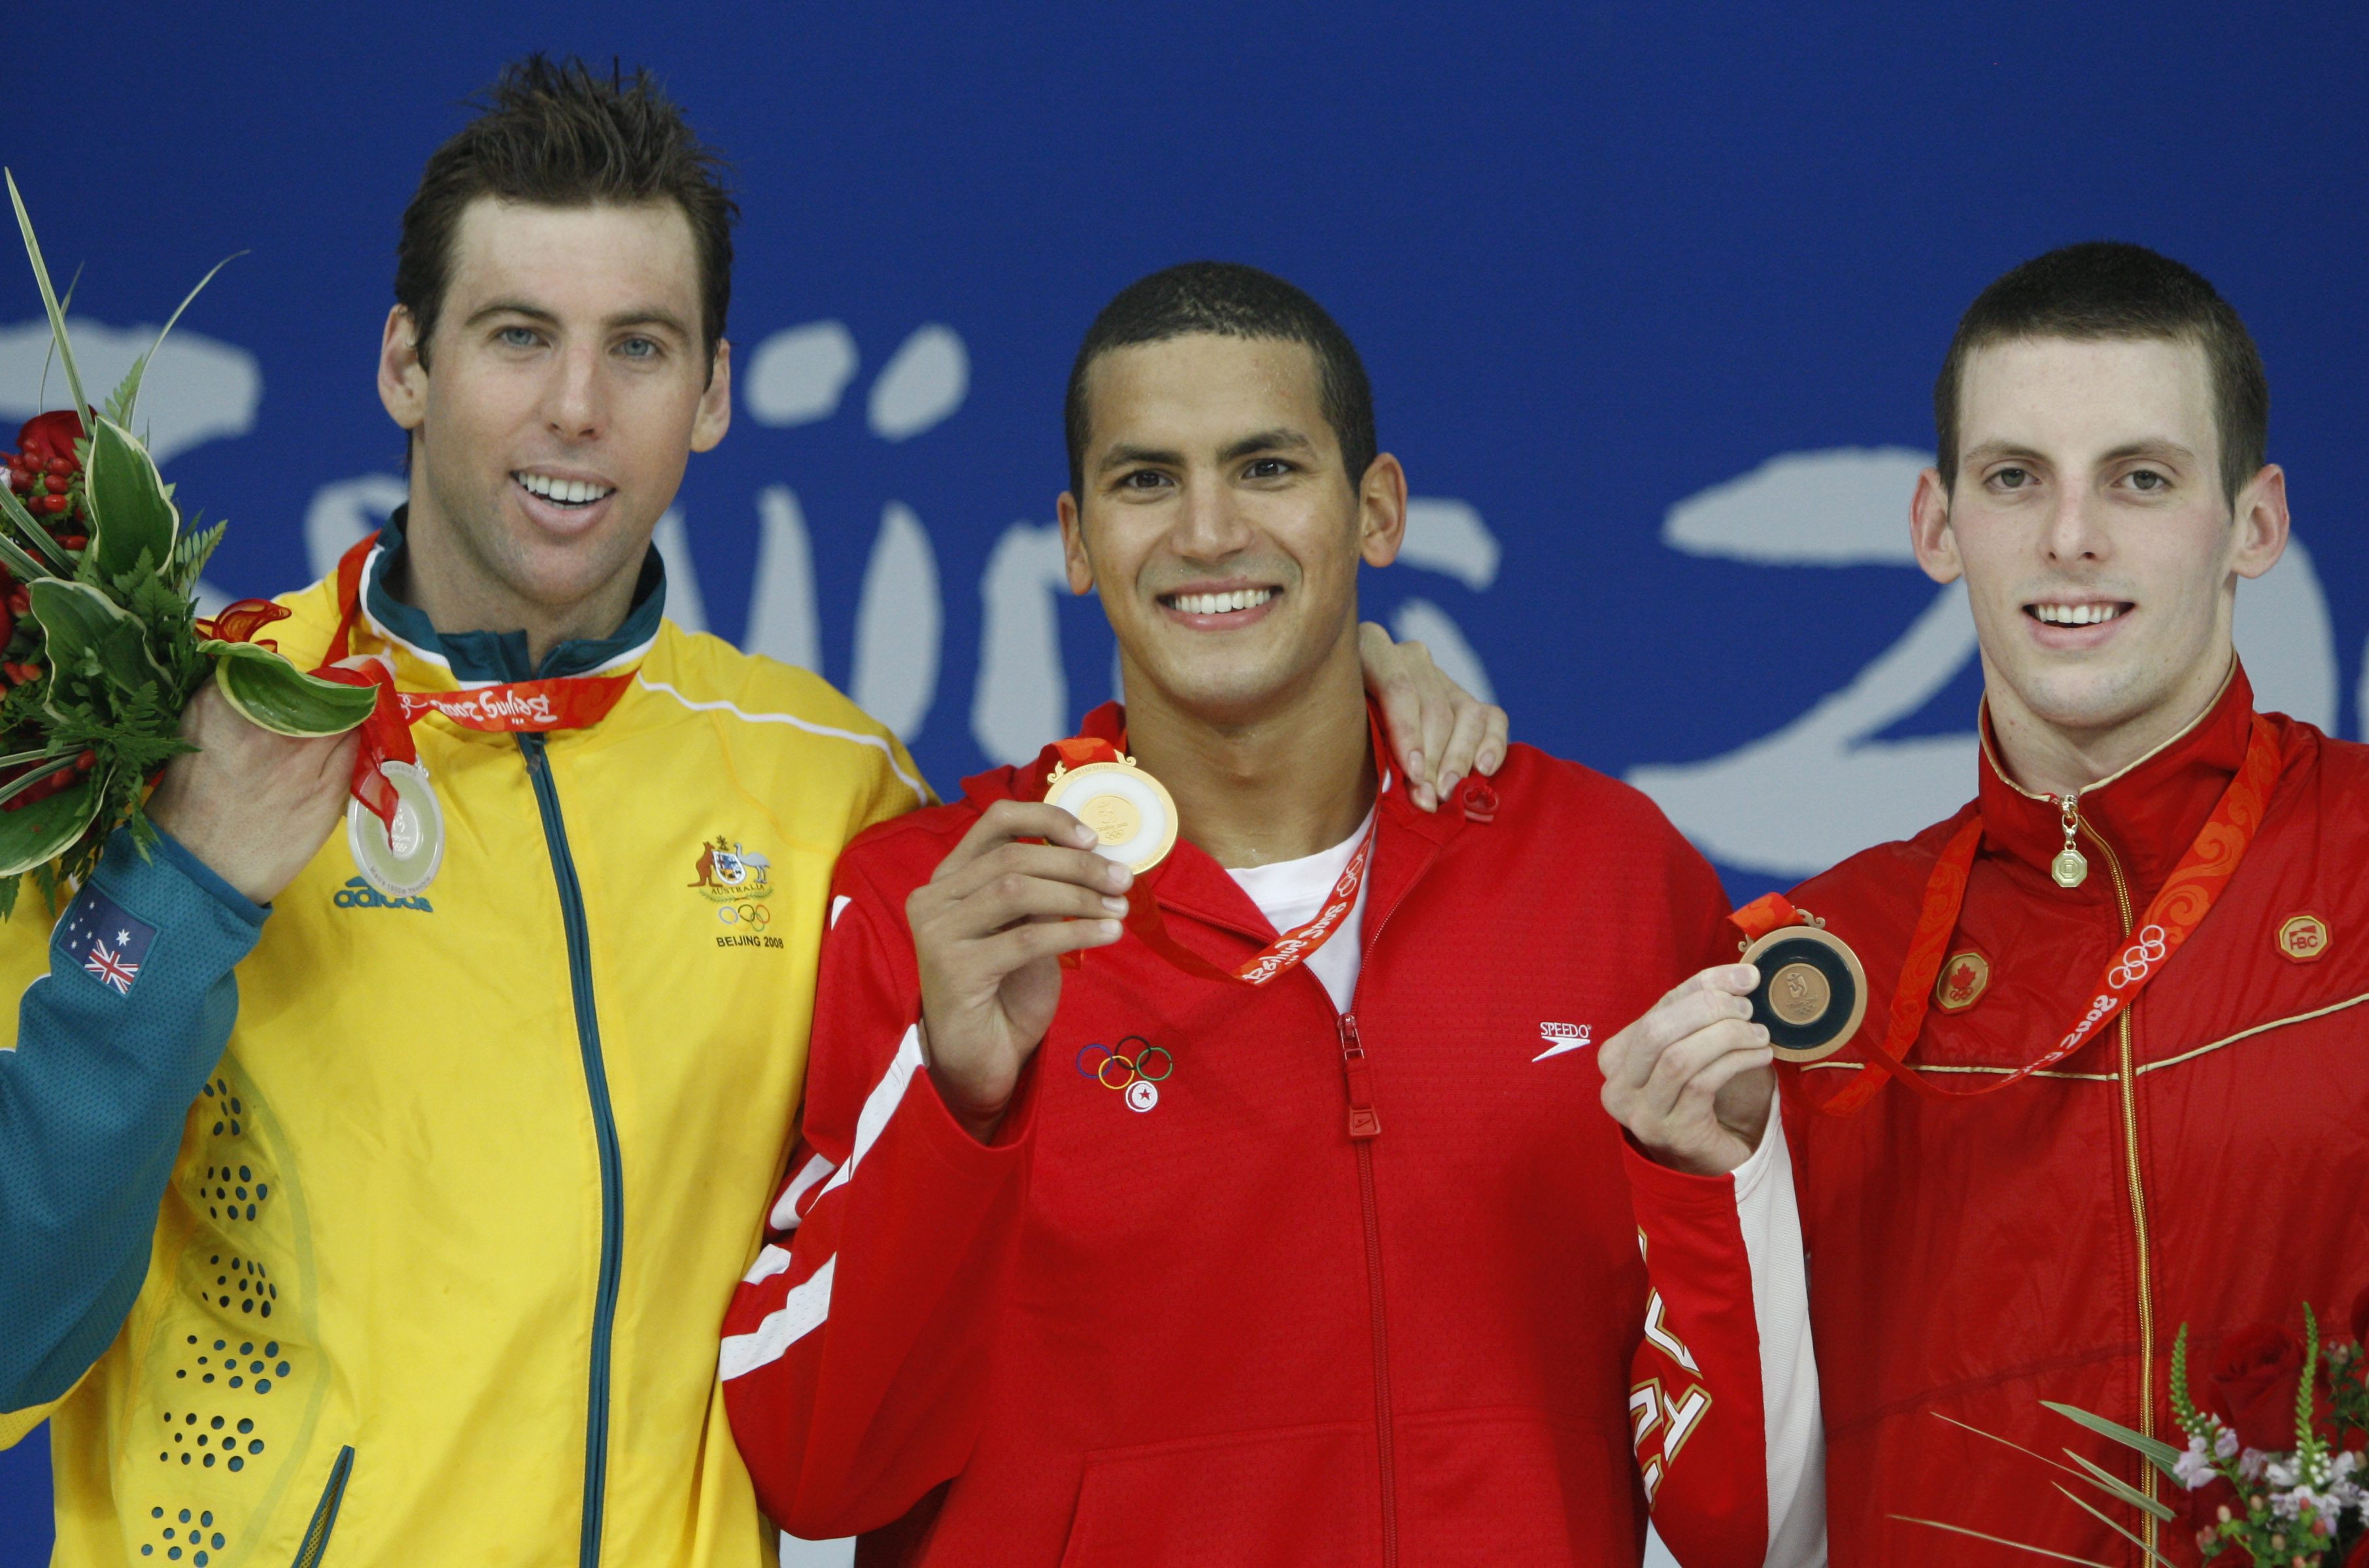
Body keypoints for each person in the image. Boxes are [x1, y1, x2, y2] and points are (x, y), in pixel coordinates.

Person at [0, 64, 1493, 1565]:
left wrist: (1332, 670)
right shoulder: (174, 738)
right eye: (518, 336)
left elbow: (1133, 861)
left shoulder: (820, 780)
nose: (577, 409)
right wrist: (186, 891)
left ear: (710, 393)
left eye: (638, 348)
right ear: (406, 363)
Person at [719, 261, 1822, 1567]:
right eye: (1146, 479)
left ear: (1377, 509)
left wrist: (1722, 1187)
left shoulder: (1607, 873)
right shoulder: (937, 902)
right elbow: (814, 1468)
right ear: (1075, 541)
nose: (1205, 530)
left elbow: (1748, 1519)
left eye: (1266, 467)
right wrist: (954, 1098)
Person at [1601, 242, 2365, 1566]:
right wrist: (1702, 1185)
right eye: (2016, 478)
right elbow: (1737, 1528)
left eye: (2141, 477)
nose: (2072, 535)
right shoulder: (1813, 972)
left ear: (2256, 521)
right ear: (1938, 526)